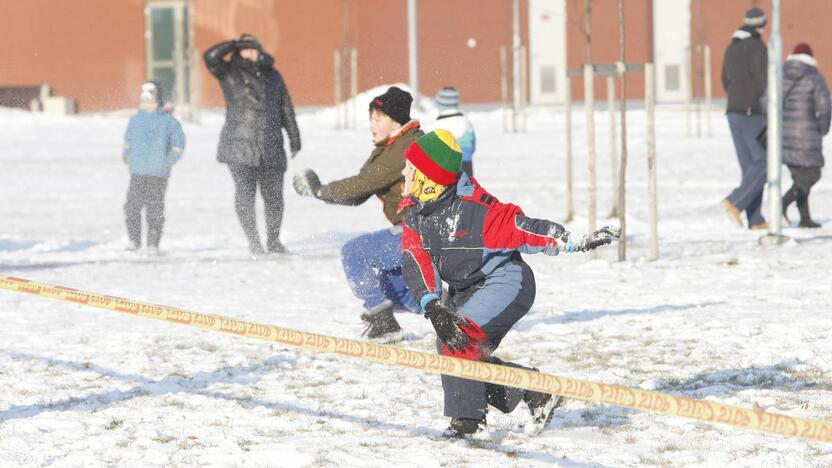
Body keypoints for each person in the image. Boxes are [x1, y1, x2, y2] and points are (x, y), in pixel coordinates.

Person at [399, 130, 620, 437]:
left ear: (428, 176)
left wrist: (576, 241)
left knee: (457, 339)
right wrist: (432, 306)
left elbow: (527, 229)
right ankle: (536, 391)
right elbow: (415, 260)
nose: (403, 173)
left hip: (506, 282)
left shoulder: (478, 211)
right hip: (464, 290)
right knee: (453, 342)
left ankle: (467, 424)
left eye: (409, 168)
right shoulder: (416, 214)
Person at [293, 87, 423, 342]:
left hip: (418, 230)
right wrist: (321, 193)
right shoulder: (395, 145)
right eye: (371, 119)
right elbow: (360, 193)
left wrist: (320, 191)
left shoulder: (405, 147)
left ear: (396, 120)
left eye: (378, 119)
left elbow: (364, 183)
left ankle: (383, 322)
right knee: (395, 285)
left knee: (355, 252)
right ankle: (444, 307)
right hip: (417, 228)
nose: (372, 125)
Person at [204, 33, 301, 256]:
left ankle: (274, 241)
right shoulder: (229, 71)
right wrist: (232, 44)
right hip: (239, 146)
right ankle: (254, 241)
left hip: (271, 145)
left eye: (253, 48)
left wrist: (294, 137)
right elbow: (210, 57)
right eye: (245, 49)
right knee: (245, 196)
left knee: (274, 198)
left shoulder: (273, 75)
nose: (250, 53)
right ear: (238, 51)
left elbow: (285, 107)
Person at [122, 81, 185, 254]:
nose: (147, 105)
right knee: (132, 207)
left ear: (158, 101)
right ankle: (134, 240)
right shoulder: (135, 120)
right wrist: (127, 153)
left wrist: (169, 160)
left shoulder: (168, 121)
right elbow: (128, 139)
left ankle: (153, 243)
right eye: (144, 101)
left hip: (158, 173)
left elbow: (179, 143)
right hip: (138, 171)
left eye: (151, 101)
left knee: (154, 209)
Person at [720, 7, 768, 230]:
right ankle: (736, 201)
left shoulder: (732, 47)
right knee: (765, 163)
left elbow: (725, 79)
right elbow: (762, 81)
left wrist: (736, 97)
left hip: (733, 111)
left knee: (750, 165)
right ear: (762, 24)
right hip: (752, 111)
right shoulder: (757, 47)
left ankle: (756, 219)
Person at [781, 43, 830, 228]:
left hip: (784, 136)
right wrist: (823, 128)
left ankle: (805, 218)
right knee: (812, 174)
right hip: (807, 134)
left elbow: (766, 101)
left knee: (799, 177)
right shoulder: (814, 77)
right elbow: (824, 106)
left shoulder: (780, 75)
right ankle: (783, 203)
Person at [426, 86, 476, 176]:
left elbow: (430, 150)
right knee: (466, 187)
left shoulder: (436, 125)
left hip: (444, 167)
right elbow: (472, 145)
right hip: (466, 165)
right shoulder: (466, 122)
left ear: (440, 104)